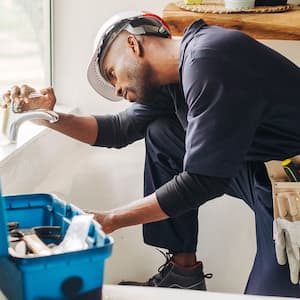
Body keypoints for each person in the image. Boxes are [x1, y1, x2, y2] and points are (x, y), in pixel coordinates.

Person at [2, 11, 300, 297]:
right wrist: (44, 115)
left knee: (269, 297)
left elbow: (203, 181)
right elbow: (118, 130)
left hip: (293, 187)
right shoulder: (175, 80)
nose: (117, 89)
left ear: (133, 44)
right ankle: (183, 275)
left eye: (112, 74)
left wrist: (111, 219)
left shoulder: (210, 59)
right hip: (265, 175)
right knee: (162, 133)